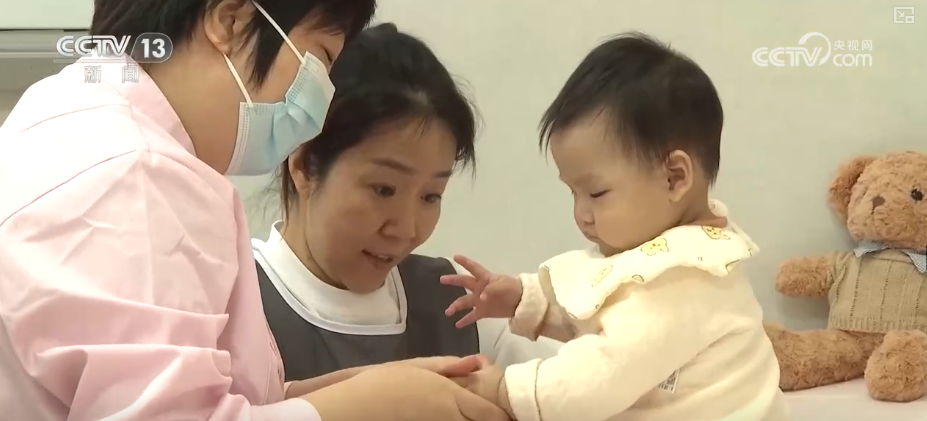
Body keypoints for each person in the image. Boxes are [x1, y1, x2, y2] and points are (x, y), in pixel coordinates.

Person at [0, 1, 509, 420]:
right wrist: (379, 404)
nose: (319, 101)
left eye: (431, 195)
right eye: (320, 59)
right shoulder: (136, 175)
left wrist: (374, 391)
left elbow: (195, 398)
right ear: (231, 20)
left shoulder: (65, 111)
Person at [440, 33, 790, 421]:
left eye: (596, 192)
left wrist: (506, 389)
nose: (581, 214)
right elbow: (602, 311)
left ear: (674, 177)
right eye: (573, 193)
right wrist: (524, 299)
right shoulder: (664, 255)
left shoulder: (681, 279)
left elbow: (596, 378)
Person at [253, 23, 561, 382]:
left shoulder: (459, 305)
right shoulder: (228, 303)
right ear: (304, 165)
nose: (406, 229)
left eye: (431, 196)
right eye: (384, 189)